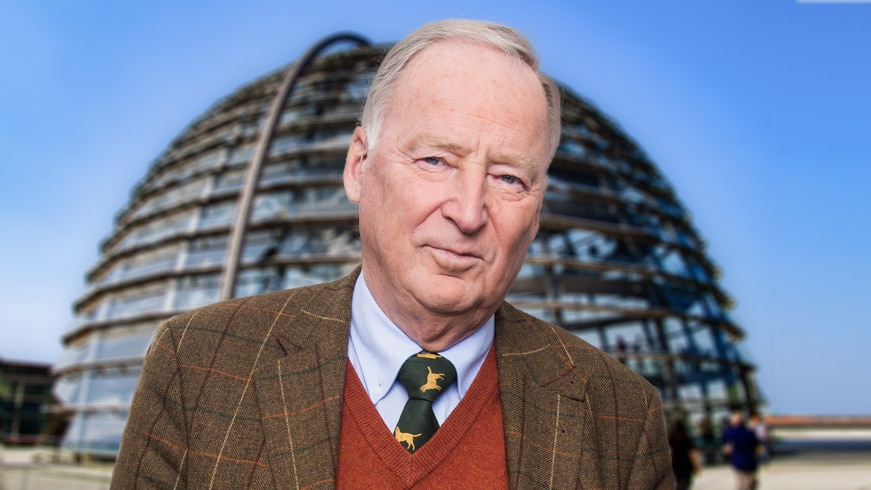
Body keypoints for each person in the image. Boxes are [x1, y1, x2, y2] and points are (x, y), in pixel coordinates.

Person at [111, 19, 673, 489]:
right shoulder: (198, 367)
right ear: (359, 166)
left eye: (507, 177)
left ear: (538, 208)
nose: (468, 212)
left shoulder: (622, 417)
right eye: (435, 161)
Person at [722, 412, 760, 490]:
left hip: (737, 461)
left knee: (741, 484)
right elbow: (758, 448)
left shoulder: (729, 433)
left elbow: (727, 450)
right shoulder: (750, 432)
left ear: (733, 422)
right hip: (750, 461)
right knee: (751, 483)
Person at [668, 419, 701, 490]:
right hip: (686, 463)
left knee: (679, 480)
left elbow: (670, 451)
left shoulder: (671, 438)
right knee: (687, 481)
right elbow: (692, 452)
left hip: (676, 463)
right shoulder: (686, 437)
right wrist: (696, 465)